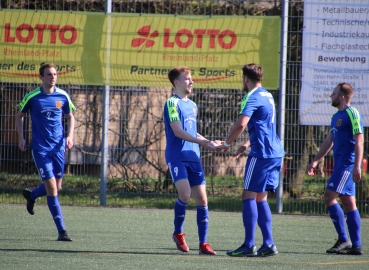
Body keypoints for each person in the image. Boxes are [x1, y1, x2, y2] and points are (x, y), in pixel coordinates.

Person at [214, 63, 284, 257]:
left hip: (261, 154)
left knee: (247, 196)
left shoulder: (250, 96)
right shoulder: (267, 95)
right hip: (275, 152)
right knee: (261, 197)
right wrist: (247, 143)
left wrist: (227, 142)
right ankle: (269, 244)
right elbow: (263, 125)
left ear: (246, 78)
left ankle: (248, 244)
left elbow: (241, 124)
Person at [16, 62, 76, 241]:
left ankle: (32, 195)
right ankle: (62, 231)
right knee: (51, 188)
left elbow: (70, 116)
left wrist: (70, 136)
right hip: (41, 149)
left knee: (57, 187)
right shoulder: (32, 97)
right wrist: (21, 137)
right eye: (49, 74)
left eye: (55, 74)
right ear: (41, 77)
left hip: (58, 148)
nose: (53, 77)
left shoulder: (62, 95)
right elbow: (19, 115)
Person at [164, 66, 217, 255]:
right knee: (185, 195)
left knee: (202, 199)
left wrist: (208, 142)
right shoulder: (171, 103)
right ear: (176, 82)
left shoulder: (193, 105)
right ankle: (178, 233)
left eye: (191, 78)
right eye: (187, 79)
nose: (191, 81)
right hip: (177, 156)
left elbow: (193, 132)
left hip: (193, 157)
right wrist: (202, 142)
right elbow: (178, 131)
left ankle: (203, 244)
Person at [307, 83, 363, 255]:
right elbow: (329, 140)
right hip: (341, 164)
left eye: (333, 93)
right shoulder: (335, 116)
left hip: (347, 164)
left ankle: (342, 239)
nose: (330, 96)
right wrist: (316, 160)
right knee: (348, 202)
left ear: (341, 97)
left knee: (329, 197)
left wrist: (357, 166)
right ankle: (356, 245)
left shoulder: (352, 113)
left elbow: (359, 140)